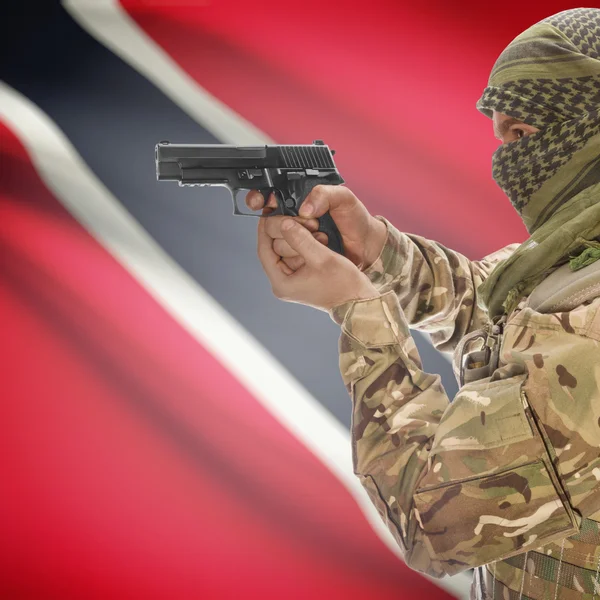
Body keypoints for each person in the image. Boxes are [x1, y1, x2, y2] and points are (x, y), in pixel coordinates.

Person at [246, 7, 600, 599]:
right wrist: (377, 250)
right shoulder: (576, 256)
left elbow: (433, 522)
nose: (506, 162)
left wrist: (359, 311)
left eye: (522, 135)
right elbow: (498, 310)